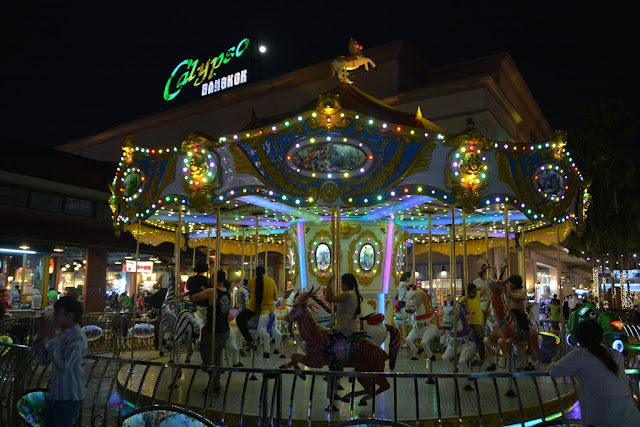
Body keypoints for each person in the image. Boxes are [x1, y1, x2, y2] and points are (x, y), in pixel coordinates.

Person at [548, 320, 640, 426]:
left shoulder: (580, 355)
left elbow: (553, 371)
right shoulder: (615, 355)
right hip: (630, 417)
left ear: (579, 338)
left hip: (603, 419)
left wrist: (553, 361)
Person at [33, 296, 88, 427]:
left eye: (58, 314)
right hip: (56, 394)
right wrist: (40, 339)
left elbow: (64, 367)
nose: (54, 317)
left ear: (70, 316)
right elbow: (44, 360)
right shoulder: (61, 335)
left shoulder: (78, 339)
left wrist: (52, 337)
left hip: (69, 396)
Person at [191, 270, 230, 394]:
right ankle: (216, 382)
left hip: (215, 330)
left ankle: (213, 381)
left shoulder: (212, 291)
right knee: (217, 355)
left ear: (214, 279)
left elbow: (194, 298)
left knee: (206, 353)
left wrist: (200, 289)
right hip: (225, 329)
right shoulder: (226, 291)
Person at [322, 273, 364, 371]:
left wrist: (329, 283)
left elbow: (329, 298)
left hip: (345, 328)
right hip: (350, 325)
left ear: (346, 283)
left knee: (325, 343)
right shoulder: (355, 294)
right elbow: (341, 309)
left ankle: (335, 366)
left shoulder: (347, 294)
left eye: (341, 283)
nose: (340, 285)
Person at [235, 266, 278, 352]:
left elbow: (250, 290)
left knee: (239, 319)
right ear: (265, 273)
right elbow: (275, 298)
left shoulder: (251, 280)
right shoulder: (271, 281)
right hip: (268, 309)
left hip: (253, 309)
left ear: (255, 273)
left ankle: (249, 340)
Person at [459, 282, 487, 367]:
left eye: (475, 292)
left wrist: (476, 288)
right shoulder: (464, 298)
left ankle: (482, 357)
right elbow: (458, 304)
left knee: (480, 336)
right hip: (467, 322)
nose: (475, 294)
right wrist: (465, 297)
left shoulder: (477, 297)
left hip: (477, 322)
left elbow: (484, 288)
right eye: (473, 292)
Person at [505, 275, 535, 354]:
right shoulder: (511, 291)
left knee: (525, 326)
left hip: (519, 312)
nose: (510, 285)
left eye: (512, 283)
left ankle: (530, 345)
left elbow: (519, 300)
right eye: (510, 283)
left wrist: (511, 297)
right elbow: (503, 285)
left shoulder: (521, 292)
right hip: (511, 311)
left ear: (516, 284)